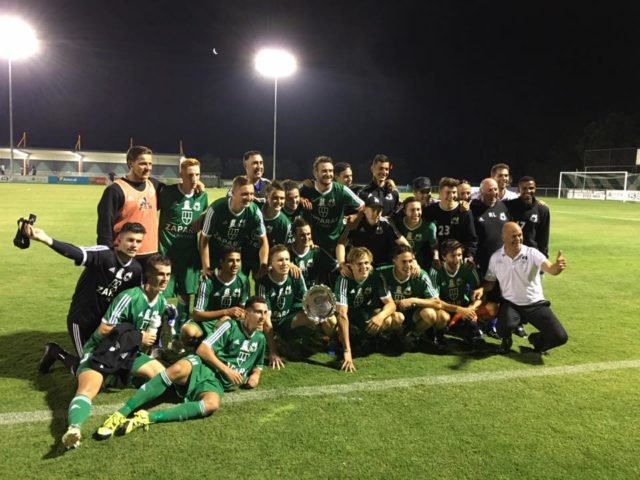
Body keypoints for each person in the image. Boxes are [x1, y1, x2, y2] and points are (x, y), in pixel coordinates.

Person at [96, 296, 267, 439]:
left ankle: (146, 418)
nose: (262, 316)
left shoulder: (260, 339)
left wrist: (256, 375)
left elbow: (258, 364)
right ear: (246, 313)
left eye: (265, 313)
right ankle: (119, 414)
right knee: (176, 369)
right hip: (203, 366)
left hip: (216, 383)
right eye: (258, 312)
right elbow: (203, 349)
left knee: (211, 405)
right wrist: (227, 370)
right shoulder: (230, 326)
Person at [61, 255, 171, 449]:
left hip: (128, 353)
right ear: (148, 275)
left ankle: (118, 379)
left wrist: (146, 344)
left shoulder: (161, 302)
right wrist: (139, 337)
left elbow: (144, 344)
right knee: (88, 389)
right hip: (102, 351)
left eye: (168, 274)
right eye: (160, 274)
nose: (165, 279)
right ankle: (74, 429)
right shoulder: (129, 297)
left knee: (162, 377)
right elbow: (104, 330)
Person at [27, 222, 145, 373]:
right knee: (87, 369)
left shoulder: (136, 270)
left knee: (108, 365)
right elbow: (76, 252)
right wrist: (45, 239)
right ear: (119, 240)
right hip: (81, 321)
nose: (134, 245)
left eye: (138, 241)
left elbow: (132, 301)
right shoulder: (103, 255)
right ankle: (55, 352)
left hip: (105, 325)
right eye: (130, 240)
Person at [483, 222, 568, 355]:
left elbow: (551, 269)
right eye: (513, 236)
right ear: (503, 237)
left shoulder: (532, 253)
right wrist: (480, 290)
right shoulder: (496, 258)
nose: (518, 239)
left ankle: (536, 340)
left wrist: (557, 267)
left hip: (535, 304)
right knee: (503, 328)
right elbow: (490, 282)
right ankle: (506, 340)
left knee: (560, 337)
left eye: (520, 235)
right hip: (511, 304)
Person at [256, 245, 335, 368]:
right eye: (280, 260)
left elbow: (306, 300)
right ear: (271, 262)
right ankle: (279, 341)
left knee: (328, 316)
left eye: (287, 259)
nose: (285, 263)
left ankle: (330, 344)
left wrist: (316, 313)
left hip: (289, 318)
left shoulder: (295, 274)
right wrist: (273, 352)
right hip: (272, 322)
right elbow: (266, 320)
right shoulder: (263, 283)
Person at [158, 158, 208, 350]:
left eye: (197, 174)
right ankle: (159, 339)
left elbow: (207, 213)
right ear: (180, 175)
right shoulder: (168, 193)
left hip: (189, 257)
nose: (194, 178)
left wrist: (203, 215)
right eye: (190, 175)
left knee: (186, 295)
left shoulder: (201, 196)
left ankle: (179, 335)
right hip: (167, 256)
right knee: (160, 296)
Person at [97, 146, 161, 267]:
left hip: (151, 253)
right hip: (124, 254)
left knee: (147, 287)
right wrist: (106, 255)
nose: (148, 168)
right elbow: (104, 226)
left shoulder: (154, 185)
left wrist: (196, 184)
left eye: (150, 164)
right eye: (143, 164)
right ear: (131, 163)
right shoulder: (115, 190)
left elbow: (177, 194)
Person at [334, 247, 397, 372]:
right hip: (346, 316)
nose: (364, 267)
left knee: (393, 318)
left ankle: (368, 341)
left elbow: (391, 304)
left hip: (362, 313)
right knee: (331, 323)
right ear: (350, 266)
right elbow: (342, 315)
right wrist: (347, 352)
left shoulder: (375, 276)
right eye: (359, 264)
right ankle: (339, 343)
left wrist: (380, 317)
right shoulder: (343, 280)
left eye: (367, 263)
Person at [200, 175, 268, 278]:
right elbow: (204, 240)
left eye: (251, 194)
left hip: (235, 256)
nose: (249, 198)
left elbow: (263, 241)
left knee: (239, 288)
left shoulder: (254, 211)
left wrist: (263, 264)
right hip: (215, 254)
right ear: (232, 193)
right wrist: (206, 267)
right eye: (244, 194)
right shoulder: (216, 209)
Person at [377, 245, 445, 345]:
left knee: (431, 314)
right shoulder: (382, 272)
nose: (408, 265)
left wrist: (413, 300)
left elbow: (437, 303)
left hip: (412, 316)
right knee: (395, 317)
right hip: (392, 315)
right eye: (404, 261)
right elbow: (365, 272)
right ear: (394, 261)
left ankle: (413, 335)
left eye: (410, 260)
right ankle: (386, 336)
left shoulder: (421, 275)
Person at [181, 247, 249, 344]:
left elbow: (243, 312)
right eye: (230, 261)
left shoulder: (243, 281)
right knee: (188, 331)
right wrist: (226, 312)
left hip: (230, 320)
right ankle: (201, 344)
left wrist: (228, 318)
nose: (235, 265)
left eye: (238, 260)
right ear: (221, 262)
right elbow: (197, 315)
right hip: (207, 321)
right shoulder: (207, 282)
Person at [299, 155, 364, 253]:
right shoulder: (307, 189)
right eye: (324, 171)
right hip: (313, 244)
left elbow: (363, 206)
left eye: (330, 171)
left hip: (336, 244)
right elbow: (288, 196)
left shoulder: (341, 190)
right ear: (315, 173)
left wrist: (357, 216)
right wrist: (299, 199)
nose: (328, 174)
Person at [429, 240, 485, 345]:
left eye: (459, 255)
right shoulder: (436, 270)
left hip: (463, 308)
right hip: (444, 308)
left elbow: (480, 295)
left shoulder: (468, 267)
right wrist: (461, 310)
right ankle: (437, 333)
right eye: (453, 255)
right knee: (442, 317)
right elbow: (435, 301)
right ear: (444, 257)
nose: (457, 259)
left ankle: (472, 332)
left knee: (488, 309)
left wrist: (470, 309)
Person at [336, 195, 409, 268]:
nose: (376, 213)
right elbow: (341, 244)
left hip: (381, 266)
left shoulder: (385, 224)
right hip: (360, 266)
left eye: (379, 210)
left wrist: (410, 260)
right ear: (364, 210)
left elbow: (404, 243)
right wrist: (342, 264)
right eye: (373, 210)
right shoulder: (355, 223)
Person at [424, 177, 478, 266]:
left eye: (454, 192)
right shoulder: (429, 211)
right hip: (435, 260)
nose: (451, 196)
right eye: (448, 192)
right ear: (440, 193)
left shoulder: (464, 212)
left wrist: (469, 255)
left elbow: (471, 239)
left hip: (457, 260)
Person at [504, 176, 550, 259]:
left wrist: (544, 258)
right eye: (524, 188)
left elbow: (544, 238)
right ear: (518, 189)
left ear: (535, 189)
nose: (528, 191)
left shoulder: (542, 210)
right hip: (512, 255)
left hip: (532, 256)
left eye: (531, 188)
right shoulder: (508, 206)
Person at [290, 217, 338, 287]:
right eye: (302, 235)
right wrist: (288, 264)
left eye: (308, 234)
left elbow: (336, 268)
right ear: (294, 236)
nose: (306, 238)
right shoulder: (287, 255)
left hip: (315, 295)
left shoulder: (316, 252)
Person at [394, 196, 438, 269]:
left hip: (417, 264)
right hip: (397, 263)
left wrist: (436, 257)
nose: (416, 213)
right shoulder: (397, 224)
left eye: (418, 209)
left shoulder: (429, 227)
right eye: (412, 210)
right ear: (405, 211)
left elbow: (433, 245)